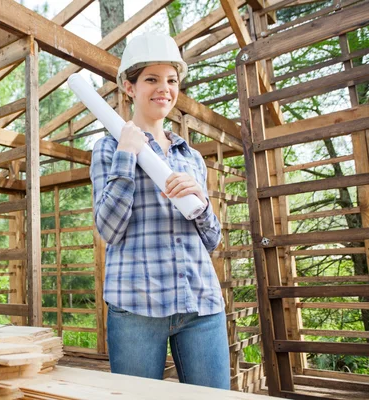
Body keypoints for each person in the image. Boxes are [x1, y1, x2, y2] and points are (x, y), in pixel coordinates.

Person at [90, 32, 230, 390]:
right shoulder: (108, 147)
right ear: (129, 87)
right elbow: (108, 230)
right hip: (137, 306)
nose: (163, 89)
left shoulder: (191, 156)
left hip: (200, 304)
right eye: (151, 79)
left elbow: (212, 239)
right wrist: (126, 155)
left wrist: (200, 202)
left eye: (171, 80)